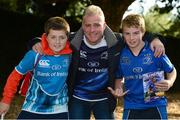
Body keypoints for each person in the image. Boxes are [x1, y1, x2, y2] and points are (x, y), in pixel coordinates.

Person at [30, 5, 166, 119]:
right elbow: (51, 38)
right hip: (78, 97)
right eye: (88, 25)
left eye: (97, 25)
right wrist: (35, 42)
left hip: (104, 98)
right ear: (82, 25)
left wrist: (155, 39)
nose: (92, 29)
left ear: (104, 25)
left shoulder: (117, 41)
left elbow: (136, 35)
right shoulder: (71, 41)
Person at [0, 16, 72, 119]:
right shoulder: (35, 54)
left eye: (62, 37)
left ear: (67, 38)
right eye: (53, 37)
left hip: (59, 110)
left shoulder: (71, 55)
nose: (57, 42)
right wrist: (6, 100)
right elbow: (15, 75)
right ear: (46, 37)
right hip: (32, 108)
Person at [108, 14, 177, 119]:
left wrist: (170, 82)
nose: (131, 38)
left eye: (136, 33)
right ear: (123, 34)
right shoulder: (120, 54)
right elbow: (118, 76)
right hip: (132, 105)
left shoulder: (155, 50)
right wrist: (118, 88)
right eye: (127, 33)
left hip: (156, 104)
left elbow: (172, 71)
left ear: (143, 33)